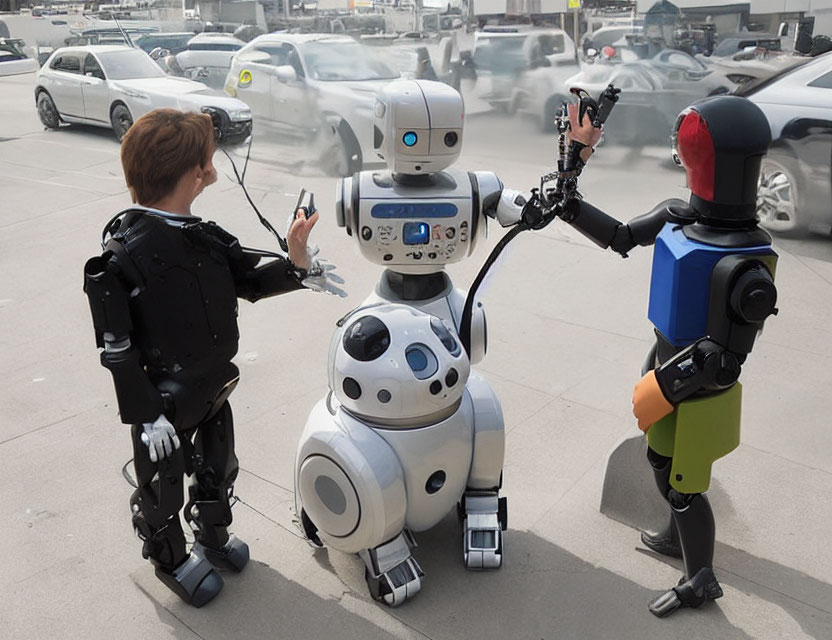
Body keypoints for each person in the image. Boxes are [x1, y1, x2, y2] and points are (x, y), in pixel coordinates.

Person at [83, 108, 343, 607]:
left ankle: (212, 535)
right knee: (162, 488)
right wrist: (146, 414)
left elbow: (249, 281)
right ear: (191, 171)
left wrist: (296, 265)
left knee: (219, 468)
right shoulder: (120, 258)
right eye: (205, 159)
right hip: (162, 404)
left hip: (213, 389)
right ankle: (172, 558)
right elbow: (116, 350)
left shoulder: (204, 235)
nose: (212, 167)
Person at [562, 96, 778, 617]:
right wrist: (570, 178)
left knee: (685, 482)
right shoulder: (679, 217)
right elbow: (618, 236)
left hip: (696, 385)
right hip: (665, 363)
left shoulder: (746, 256)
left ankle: (700, 578)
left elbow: (726, 356)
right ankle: (676, 532)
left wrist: (666, 385)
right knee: (660, 459)